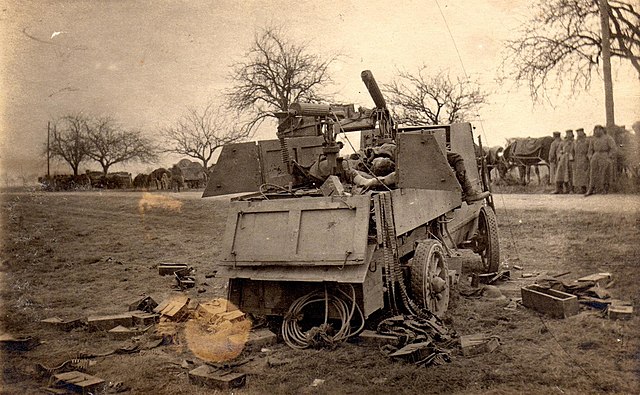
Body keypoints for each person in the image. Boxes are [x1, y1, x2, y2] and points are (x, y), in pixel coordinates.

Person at [585, 125, 617, 196]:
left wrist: (609, 156)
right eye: (595, 130)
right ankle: (591, 188)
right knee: (592, 172)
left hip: (604, 155)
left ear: (602, 130)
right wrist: (590, 157)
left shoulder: (608, 138)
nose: (597, 131)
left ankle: (604, 188)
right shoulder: (593, 139)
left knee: (604, 172)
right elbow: (590, 150)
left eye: (598, 130)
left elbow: (613, 148)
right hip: (595, 155)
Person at [552, 130, 574, 194]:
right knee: (560, 174)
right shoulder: (562, 143)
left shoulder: (574, 142)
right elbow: (559, 151)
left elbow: (575, 151)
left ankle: (571, 189)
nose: (568, 135)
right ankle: (558, 189)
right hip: (563, 159)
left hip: (570, 159)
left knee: (570, 174)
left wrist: (572, 156)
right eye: (567, 134)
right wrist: (560, 156)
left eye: (570, 134)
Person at [572, 128, 589, 194]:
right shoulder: (575, 142)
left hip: (584, 157)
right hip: (577, 159)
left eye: (580, 132)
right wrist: (572, 158)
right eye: (577, 132)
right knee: (578, 174)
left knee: (585, 173)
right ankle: (580, 188)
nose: (579, 134)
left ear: (583, 132)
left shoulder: (587, 141)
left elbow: (590, 149)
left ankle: (586, 188)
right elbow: (572, 151)